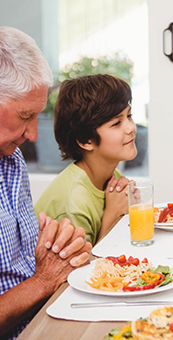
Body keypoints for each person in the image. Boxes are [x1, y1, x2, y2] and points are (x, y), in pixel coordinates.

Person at [0, 27, 92, 340]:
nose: (34, 134)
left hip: (38, 327)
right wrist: (43, 281)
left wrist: (60, 248)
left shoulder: (10, 158)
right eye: (25, 116)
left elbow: (16, 268)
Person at [34, 74, 136, 244]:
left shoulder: (113, 177)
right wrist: (113, 214)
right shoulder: (74, 202)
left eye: (129, 115)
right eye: (116, 123)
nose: (131, 127)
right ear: (85, 140)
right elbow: (82, 269)